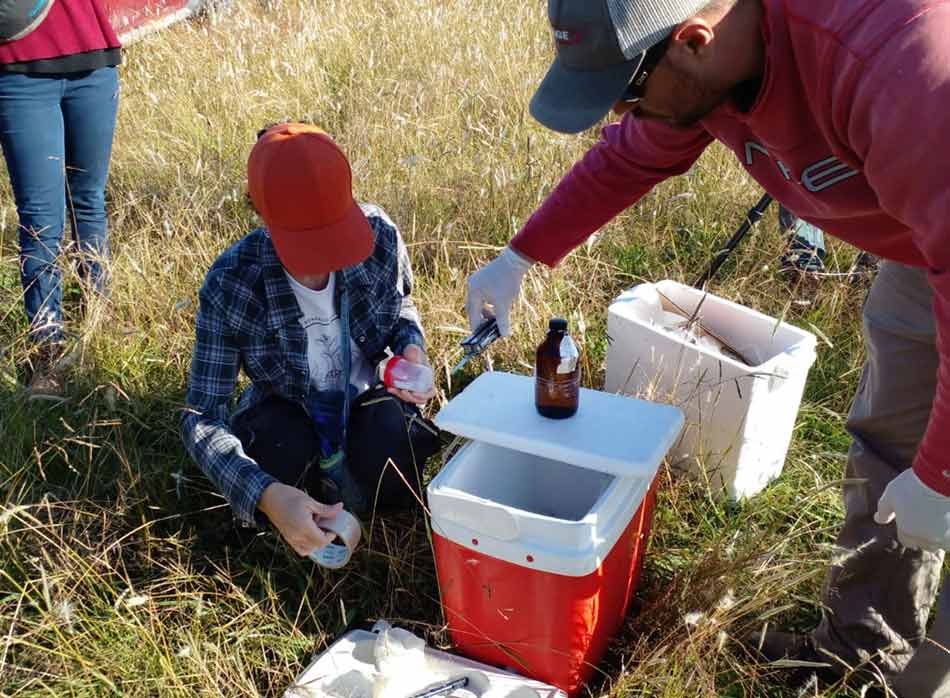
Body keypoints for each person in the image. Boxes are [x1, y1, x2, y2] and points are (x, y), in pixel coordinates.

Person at [464, 1, 950, 696]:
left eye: (630, 92)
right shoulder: (707, 70)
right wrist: (521, 256)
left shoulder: (902, 62)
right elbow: (633, 155)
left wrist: (941, 475)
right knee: (888, 447)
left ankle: (923, 683)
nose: (628, 112)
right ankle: (861, 650)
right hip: (927, 238)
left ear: (691, 41)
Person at [181, 123, 437, 559]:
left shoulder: (380, 236)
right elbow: (202, 416)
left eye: (336, 234)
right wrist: (265, 495)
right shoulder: (233, 284)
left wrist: (413, 349)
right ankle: (297, 498)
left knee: (396, 455)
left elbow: (401, 311)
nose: (326, 262)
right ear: (260, 216)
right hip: (289, 410)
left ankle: (353, 479)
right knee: (276, 453)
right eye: (307, 243)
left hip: (369, 403)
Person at [0, 0, 122, 395]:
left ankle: (99, 323)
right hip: (19, 67)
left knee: (88, 201)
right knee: (40, 219)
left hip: (93, 57)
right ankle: (47, 352)